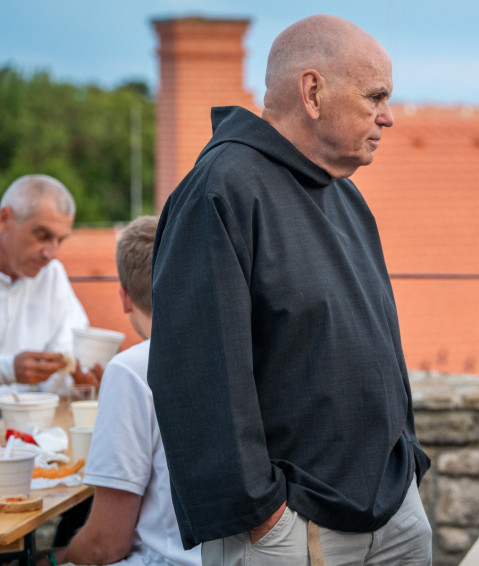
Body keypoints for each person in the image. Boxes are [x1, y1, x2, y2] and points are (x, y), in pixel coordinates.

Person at [148, 14, 431, 566]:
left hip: (393, 511)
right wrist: (263, 514)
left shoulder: (346, 196)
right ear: (312, 92)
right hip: (292, 530)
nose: (388, 117)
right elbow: (198, 377)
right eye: (375, 97)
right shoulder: (221, 190)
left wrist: (407, 462)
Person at [38, 216, 202, 566]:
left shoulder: (132, 369)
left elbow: (105, 545)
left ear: (124, 298)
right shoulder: (240, 352)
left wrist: (50, 560)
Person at [0, 174, 101, 389]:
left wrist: (80, 381)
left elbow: (68, 357)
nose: (51, 254)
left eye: (60, 240)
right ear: (4, 219)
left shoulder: (52, 275)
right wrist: (8, 370)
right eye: (42, 236)